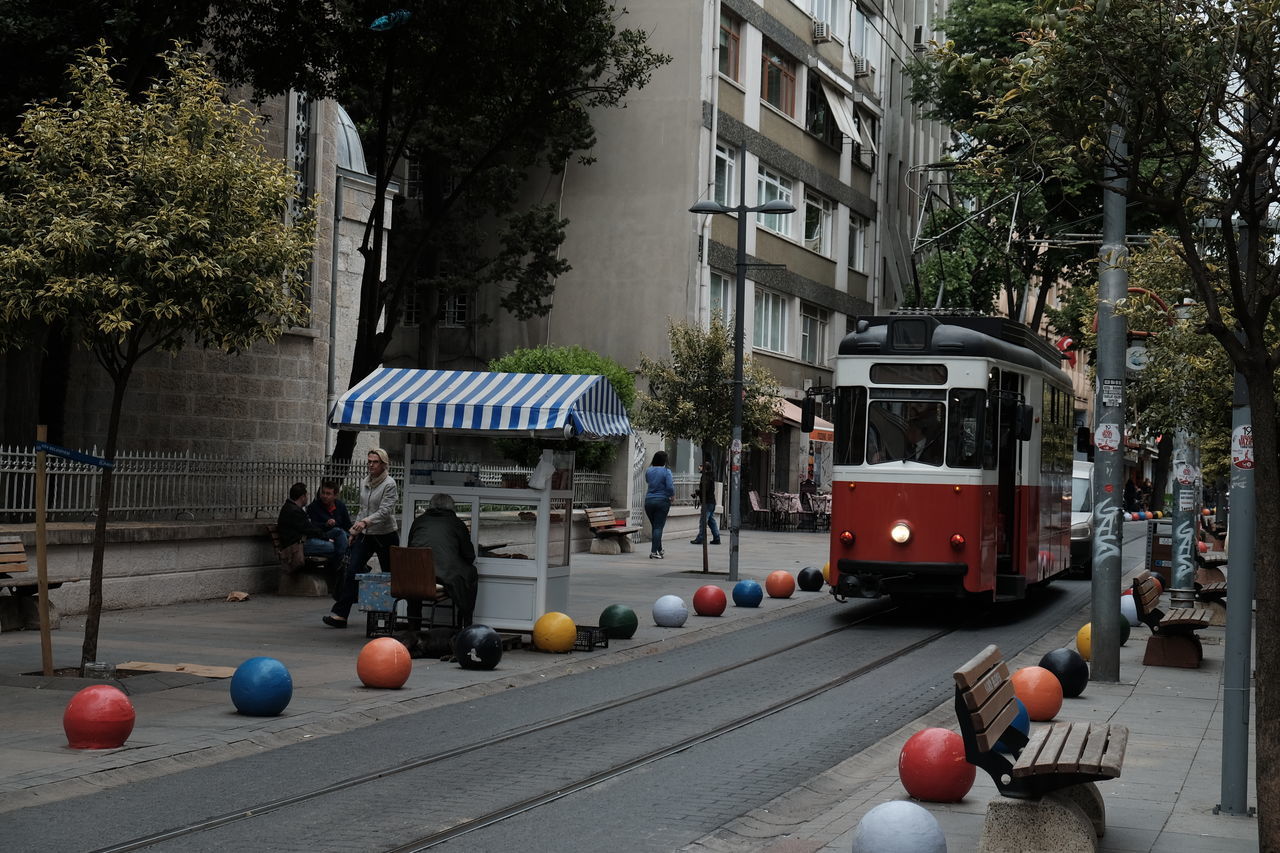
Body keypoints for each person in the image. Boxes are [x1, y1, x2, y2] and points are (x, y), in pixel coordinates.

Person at [325, 448, 400, 628]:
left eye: (374, 462)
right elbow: (363, 508)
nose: (370, 465)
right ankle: (340, 615)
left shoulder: (389, 484)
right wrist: (354, 531)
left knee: (390, 575)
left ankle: (392, 615)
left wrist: (365, 522)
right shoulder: (365, 481)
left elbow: (384, 511)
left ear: (383, 464)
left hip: (385, 535)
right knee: (351, 571)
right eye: (369, 461)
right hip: (366, 535)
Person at [407, 494, 478, 627]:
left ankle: (413, 627)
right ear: (451, 508)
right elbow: (469, 556)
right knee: (471, 573)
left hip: (416, 577)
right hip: (444, 576)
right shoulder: (456, 523)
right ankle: (466, 624)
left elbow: (410, 547)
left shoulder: (419, 521)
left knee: (417, 580)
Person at [276, 482, 326, 571]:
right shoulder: (294, 511)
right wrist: (325, 537)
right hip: (297, 547)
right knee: (333, 547)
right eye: (307, 495)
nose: (307, 498)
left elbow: (308, 528)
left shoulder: (290, 508)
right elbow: (309, 529)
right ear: (302, 497)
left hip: (298, 543)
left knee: (337, 536)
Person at [304, 479, 351, 573]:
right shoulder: (314, 507)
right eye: (323, 493)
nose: (324, 496)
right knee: (339, 532)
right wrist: (326, 524)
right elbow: (311, 527)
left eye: (328, 494)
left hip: (340, 538)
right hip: (323, 536)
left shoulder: (340, 506)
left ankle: (342, 566)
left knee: (347, 537)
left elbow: (347, 525)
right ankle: (338, 565)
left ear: (335, 495)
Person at [643, 450, 674, 559]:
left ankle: (659, 549)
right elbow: (670, 487)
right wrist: (672, 496)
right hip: (662, 501)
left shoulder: (649, 470)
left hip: (649, 501)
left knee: (655, 527)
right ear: (665, 460)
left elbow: (647, 481)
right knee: (658, 527)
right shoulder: (667, 471)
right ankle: (653, 552)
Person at [690, 461, 721, 546]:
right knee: (711, 521)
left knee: (703, 521)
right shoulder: (710, 476)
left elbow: (705, 489)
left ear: (705, 468)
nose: (699, 467)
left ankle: (700, 538)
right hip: (711, 502)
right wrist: (698, 493)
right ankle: (717, 538)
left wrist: (697, 492)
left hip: (707, 502)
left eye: (701, 466)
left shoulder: (705, 477)